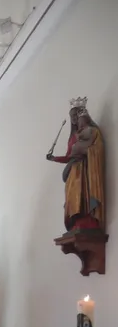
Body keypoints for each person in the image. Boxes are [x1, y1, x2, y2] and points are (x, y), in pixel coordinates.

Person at [47, 98, 105, 232]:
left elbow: (97, 148)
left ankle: (87, 218)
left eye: (75, 115)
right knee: (72, 196)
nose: (73, 118)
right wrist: (54, 158)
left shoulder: (92, 131)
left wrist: (85, 152)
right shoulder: (73, 137)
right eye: (71, 116)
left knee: (83, 193)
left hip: (84, 168)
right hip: (73, 170)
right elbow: (69, 157)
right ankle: (75, 220)